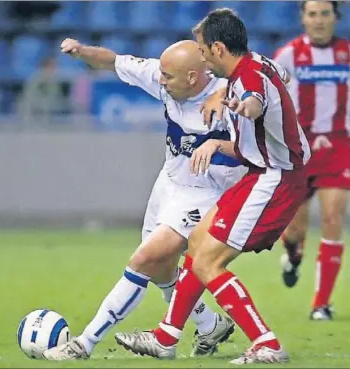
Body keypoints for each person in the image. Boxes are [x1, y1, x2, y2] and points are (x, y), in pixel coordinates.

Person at [114, 8, 311, 365]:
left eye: (204, 51)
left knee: (208, 263)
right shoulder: (255, 63)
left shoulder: (246, 81)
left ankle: (266, 343)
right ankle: (165, 337)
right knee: (199, 243)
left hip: (275, 180)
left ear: (219, 49)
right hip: (260, 173)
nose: (201, 60)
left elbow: (255, 98)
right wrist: (218, 133)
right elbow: (276, 76)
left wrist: (242, 105)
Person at [43, 38, 246, 360]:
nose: (161, 81)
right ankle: (209, 326)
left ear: (194, 77)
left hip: (208, 195)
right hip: (169, 184)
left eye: (169, 77)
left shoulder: (233, 96)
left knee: (142, 261)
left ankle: (84, 343)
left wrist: (225, 99)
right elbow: (113, 60)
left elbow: (278, 80)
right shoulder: (163, 77)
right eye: (161, 75)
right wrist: (82, 51)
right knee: (162, 270)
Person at [273, 0, 350, 320]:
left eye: (325, 14)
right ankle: (293, 256)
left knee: (333, 217)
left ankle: (321, 304)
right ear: (303, 18)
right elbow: (267, 89)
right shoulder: (290, 55)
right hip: (299, 148)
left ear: (336, 18)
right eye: (312, 14)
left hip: (337, 145)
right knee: (295, 229)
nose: (319, 20)